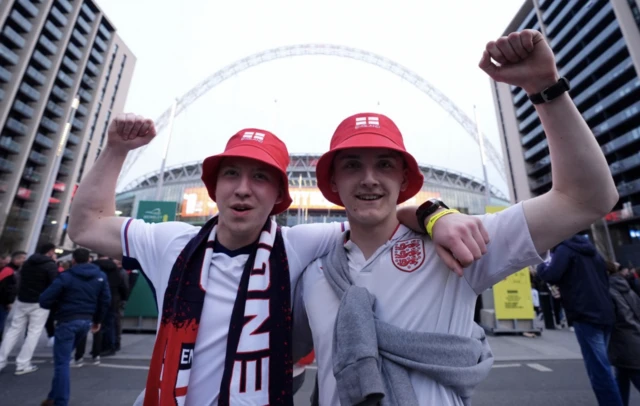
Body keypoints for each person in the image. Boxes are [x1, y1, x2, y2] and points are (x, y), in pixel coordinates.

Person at [68, 113, 489, 405]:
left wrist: (435, 215)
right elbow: (86, 225)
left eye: (261, 176)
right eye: (231, 174)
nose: (244, 189)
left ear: (279, 197)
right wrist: (116, 151)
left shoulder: (298, 245)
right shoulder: (171, 243)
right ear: (215, 188)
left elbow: (374, 216)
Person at [296, 29, 619, 406]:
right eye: (352, 165)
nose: (369, 179)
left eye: (384, 164)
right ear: (332, 180)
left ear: (404, 178)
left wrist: (544, 87)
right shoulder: (312, 273)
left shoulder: (457, 245)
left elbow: (587, 198)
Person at [537, 236, 620, 406]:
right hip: (605, 312)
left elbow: (550, 274)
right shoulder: (592, 252)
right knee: (603, 366)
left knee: (599, 370)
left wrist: (541, 261)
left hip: (585, 312)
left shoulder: (564, 250)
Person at [39, 248, 111, 406]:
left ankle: (60, 401)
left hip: (67, 320)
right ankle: (52, 396)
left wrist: (58, 307)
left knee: (62, 362)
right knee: (63, 360)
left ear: (73, 260)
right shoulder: (100, 276)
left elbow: (45, 300)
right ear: (89, 259)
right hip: (86, 321)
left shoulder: (66, 276)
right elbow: (105, 300)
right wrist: (97, 320)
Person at [0, 243, 59, 375]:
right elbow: (55, 284)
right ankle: (23, 363)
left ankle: (1, 360)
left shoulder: (27, 263)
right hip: (40, 302)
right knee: (34, 332)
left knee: (13, 330)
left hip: (23, 300)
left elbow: (19, 280)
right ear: (50, 251)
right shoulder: (50, 265)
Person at [606, 261, 640, 406]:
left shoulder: (608, 290)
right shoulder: (627, 288)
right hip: (634, 333)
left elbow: (614, 316)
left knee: (632, 374)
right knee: (621, 377)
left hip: (624, 339)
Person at [0, 251, 27, 341]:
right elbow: (4, 288)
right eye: (23, 258)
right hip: (2, 303)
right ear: (16, 259)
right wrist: (8, 302)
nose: (24, 260)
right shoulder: (9, 271)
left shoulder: (13, 271)